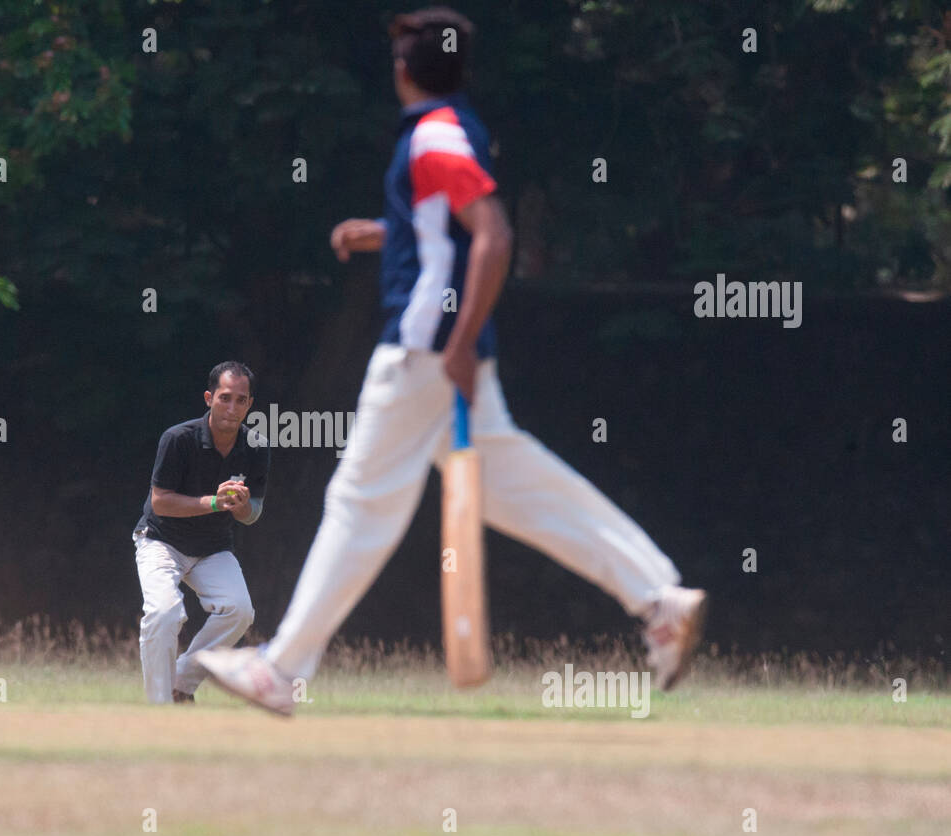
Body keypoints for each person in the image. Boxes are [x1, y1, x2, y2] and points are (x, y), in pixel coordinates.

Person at [197, 6, 706, 716]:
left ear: (404, 70)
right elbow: (454, 230)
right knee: (510, 486)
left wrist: (460, 343)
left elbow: (493, 236)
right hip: (444, 349)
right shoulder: (455, 127)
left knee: (358, 504)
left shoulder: (433, 136)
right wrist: (387, 233)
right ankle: (659, 597)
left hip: (424, 350)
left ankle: (281, 668)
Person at [132, 361, 269, 704]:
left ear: (250, 404)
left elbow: (253, 513)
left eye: (241, 400)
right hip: (160, 541)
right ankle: (160, 708)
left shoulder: (255, 445)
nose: (232, 407)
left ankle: (181, 683)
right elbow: (161, 502)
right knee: (165, 613)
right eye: (225, 398)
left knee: (239, 610)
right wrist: (213, 502)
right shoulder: (178, 439)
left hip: (212, 548)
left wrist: (239, 507)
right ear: (209, 398)